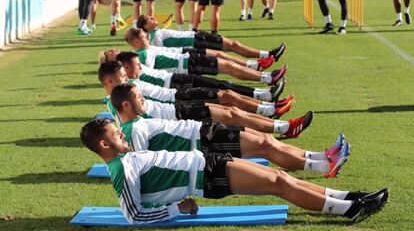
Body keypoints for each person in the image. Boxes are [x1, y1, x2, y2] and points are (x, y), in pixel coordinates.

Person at [80, 118, 388, 224]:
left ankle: (350, 197)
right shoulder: (120, 169)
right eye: (116, 135)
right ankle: (349, 210)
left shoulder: (126, 158)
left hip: (206, 160)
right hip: (206, 177)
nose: (122, 135)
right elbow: (133, 214)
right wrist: (176, 207)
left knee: (283, 177)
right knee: (277, 183)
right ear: (104, 146)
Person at [111, 83, 350, 177]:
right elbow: (141, 167)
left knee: (264, 139)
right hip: (199, 143)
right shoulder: (132, 130)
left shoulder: (136, 121)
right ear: (125, 104)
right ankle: (322, 166)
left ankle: (320, 157)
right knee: (265, 147)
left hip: (199, 130)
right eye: (139, 98)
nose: (143, 100)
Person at [99, 61, 295, 127]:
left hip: (176, 97)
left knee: (227, 99)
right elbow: (134, 124)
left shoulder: (126, 87)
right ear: (109, 81)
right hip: (176, 110)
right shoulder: (116, 102)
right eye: (122, 76)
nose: (127, 78)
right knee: (229, 111)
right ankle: (272, 113)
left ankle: (269, 107)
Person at [110, 82, 311, 137]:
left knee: (232, 107)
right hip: (179, 116)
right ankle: (282, 125)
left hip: (178, 106)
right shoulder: (121, 103)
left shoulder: (129, 89)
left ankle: (274, 115)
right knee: (233, 115)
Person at [100, 50, 287, 102]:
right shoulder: (127, 86)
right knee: (224, 96)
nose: (113, 50)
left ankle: (265, 94)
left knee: (223, 87)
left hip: (179, 77)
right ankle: (266, 97)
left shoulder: (131, 64)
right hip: (175, 88)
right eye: (110, 52)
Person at [125, 28, 285, 84]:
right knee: (228, 71)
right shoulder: (142, 55)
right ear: (137, 41)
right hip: (186, 65)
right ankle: (267, 78)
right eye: (144, 36)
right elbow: (148, 74)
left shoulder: (148, 49)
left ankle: (265, 76)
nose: (147, 37)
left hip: (188, 59)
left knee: (227, 67)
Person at [136, 15, 286, 60]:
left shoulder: (156, 33)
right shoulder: (153, 37)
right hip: (195, 42)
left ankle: (265, 57)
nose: (153, 18)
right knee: (230, 47)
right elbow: (162, 53)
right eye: (149, 19)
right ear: (146, 26)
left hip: (196, 37)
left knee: (231, 46)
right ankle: (267, 57)